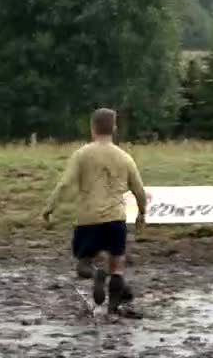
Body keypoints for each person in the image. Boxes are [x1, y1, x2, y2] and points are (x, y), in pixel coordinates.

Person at [43, 108, 148, 315]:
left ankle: (95, 274)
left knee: (83, 264)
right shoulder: (125, 157)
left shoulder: (82, 155)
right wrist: (142, 213)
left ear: (92, 128)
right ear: (114, 128)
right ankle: (112, 309)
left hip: (88, 218)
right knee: (117, 266)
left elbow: (65, 184)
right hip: (116, 219)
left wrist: (50, 206)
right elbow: (139, 190)